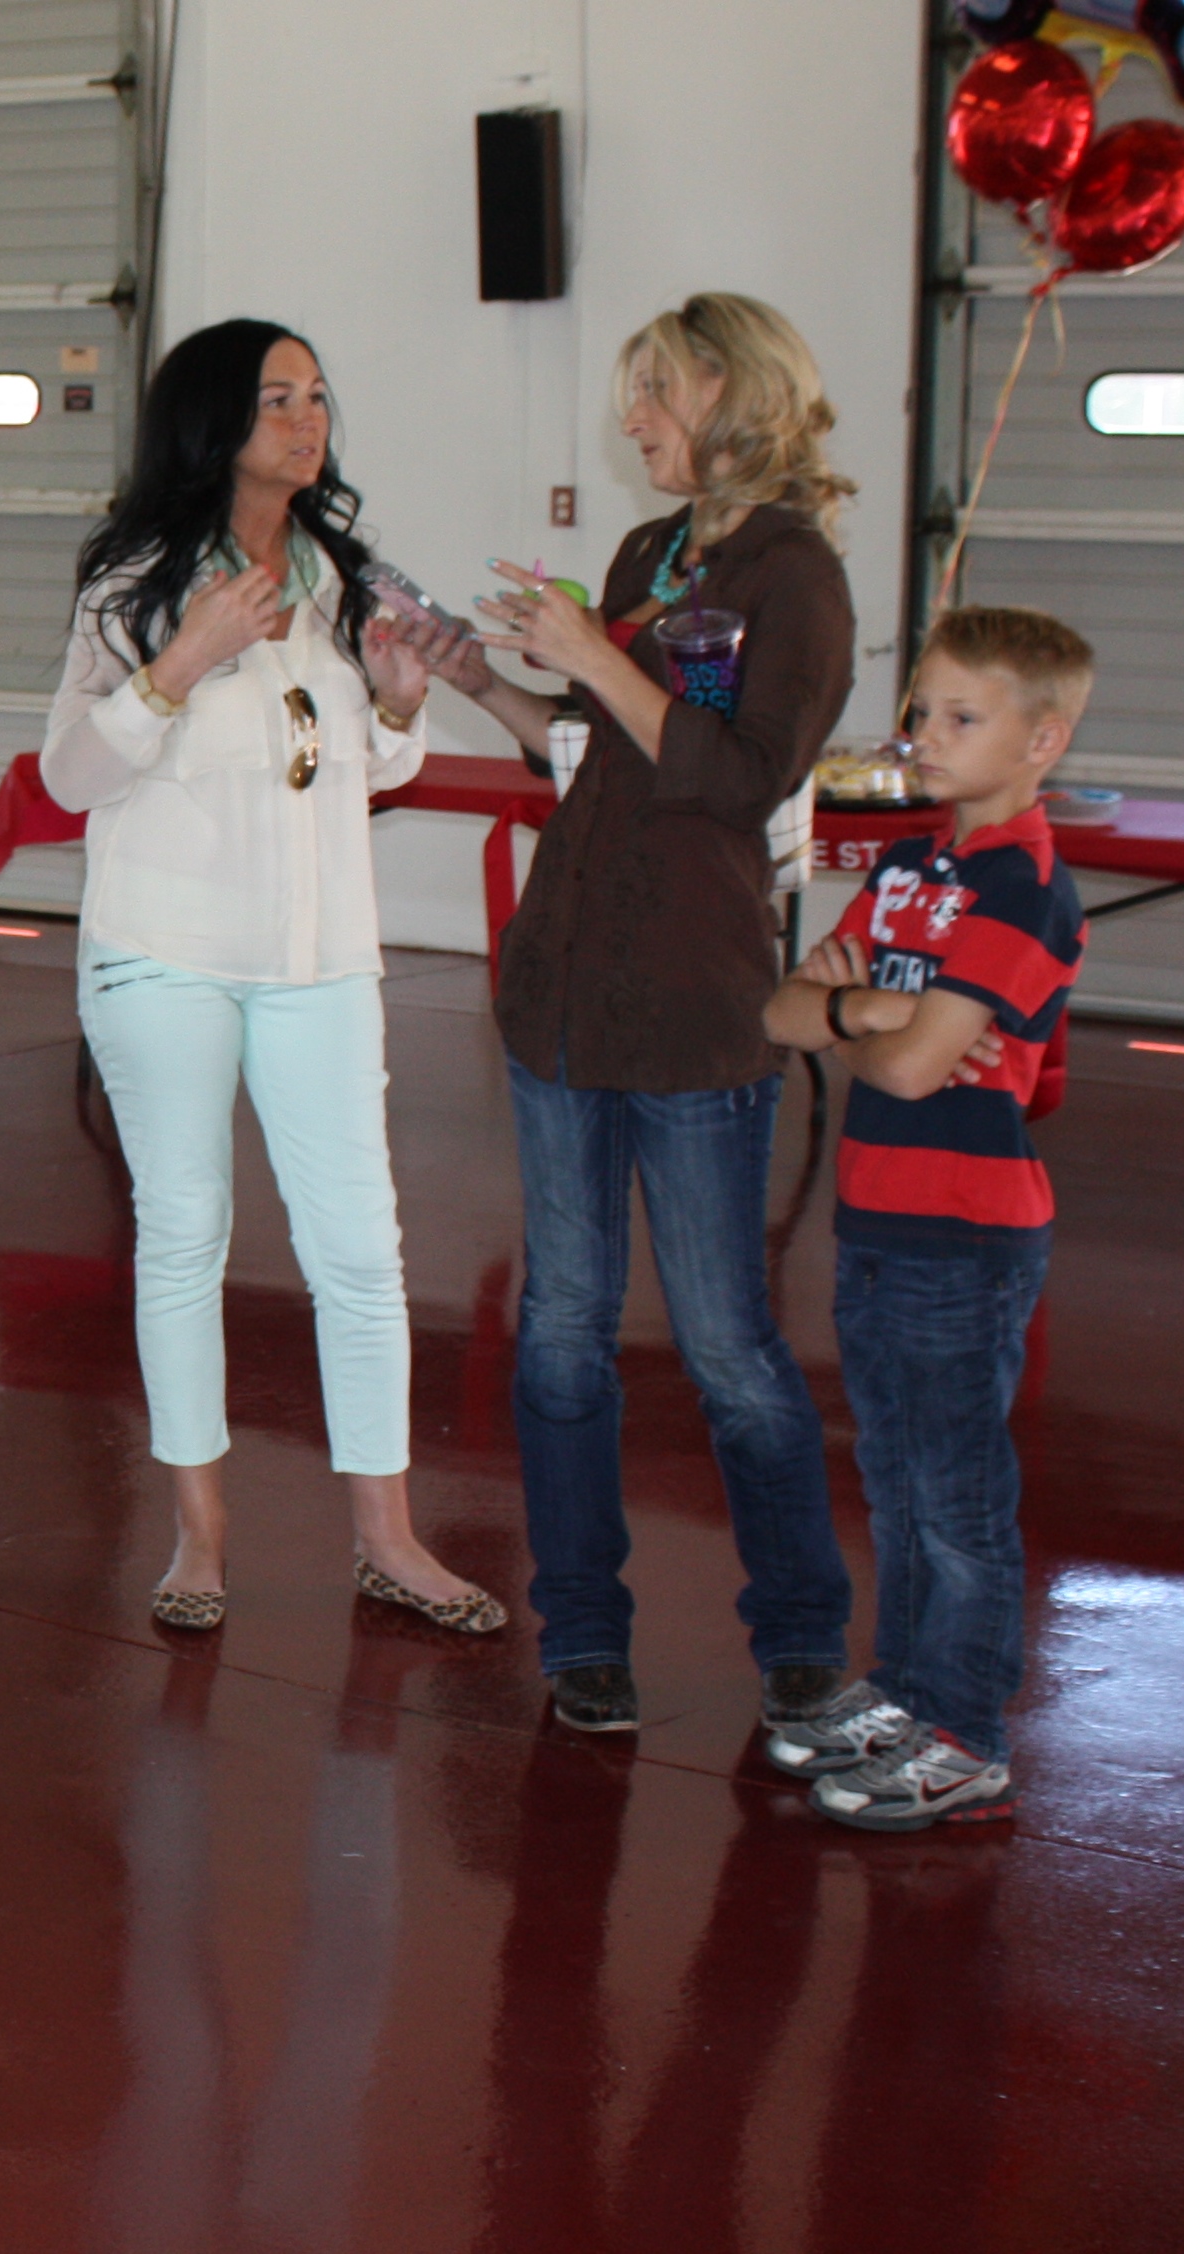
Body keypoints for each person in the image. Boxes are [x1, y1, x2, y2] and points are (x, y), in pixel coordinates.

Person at [405, 292, 859, 1733]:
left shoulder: (797, 576)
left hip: (690, 1003)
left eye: (654, 392)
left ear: (731, 393)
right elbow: (598, 753)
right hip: (563, 996)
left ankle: (800, 1631)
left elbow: (734, 777)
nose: (632, 420)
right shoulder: (649, 555)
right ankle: (582, 1631)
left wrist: (595, 654)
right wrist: (480, 676)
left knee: (726, 1346)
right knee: (558, 1333)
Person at [39, 319, 503, 1637]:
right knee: (184, 1233)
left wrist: (399, 703)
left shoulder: (340, 577)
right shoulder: (134, 580)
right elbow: (70, 775)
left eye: (315, 397)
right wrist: (179, 663)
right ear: (211, 423)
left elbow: (362, 766)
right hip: (163, 952)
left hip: (317, 958)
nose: (307, 422)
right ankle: (198, 1532)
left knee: (359, 1246)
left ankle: (386, 1537)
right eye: (276, 399)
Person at [760, 609, 1090, 1829]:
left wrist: (862, 1023)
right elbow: (780, 1011)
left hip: (963, 1237)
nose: (925, 735)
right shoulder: (906, 868)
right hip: (876, 1221)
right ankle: (904, 1694)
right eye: (921, 711)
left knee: (954, 1500)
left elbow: (908, 1071)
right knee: (895, 1482)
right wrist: (873, 1016)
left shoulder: (1022, 886)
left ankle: (964, 1733)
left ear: (1040, 740)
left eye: (961, 716)